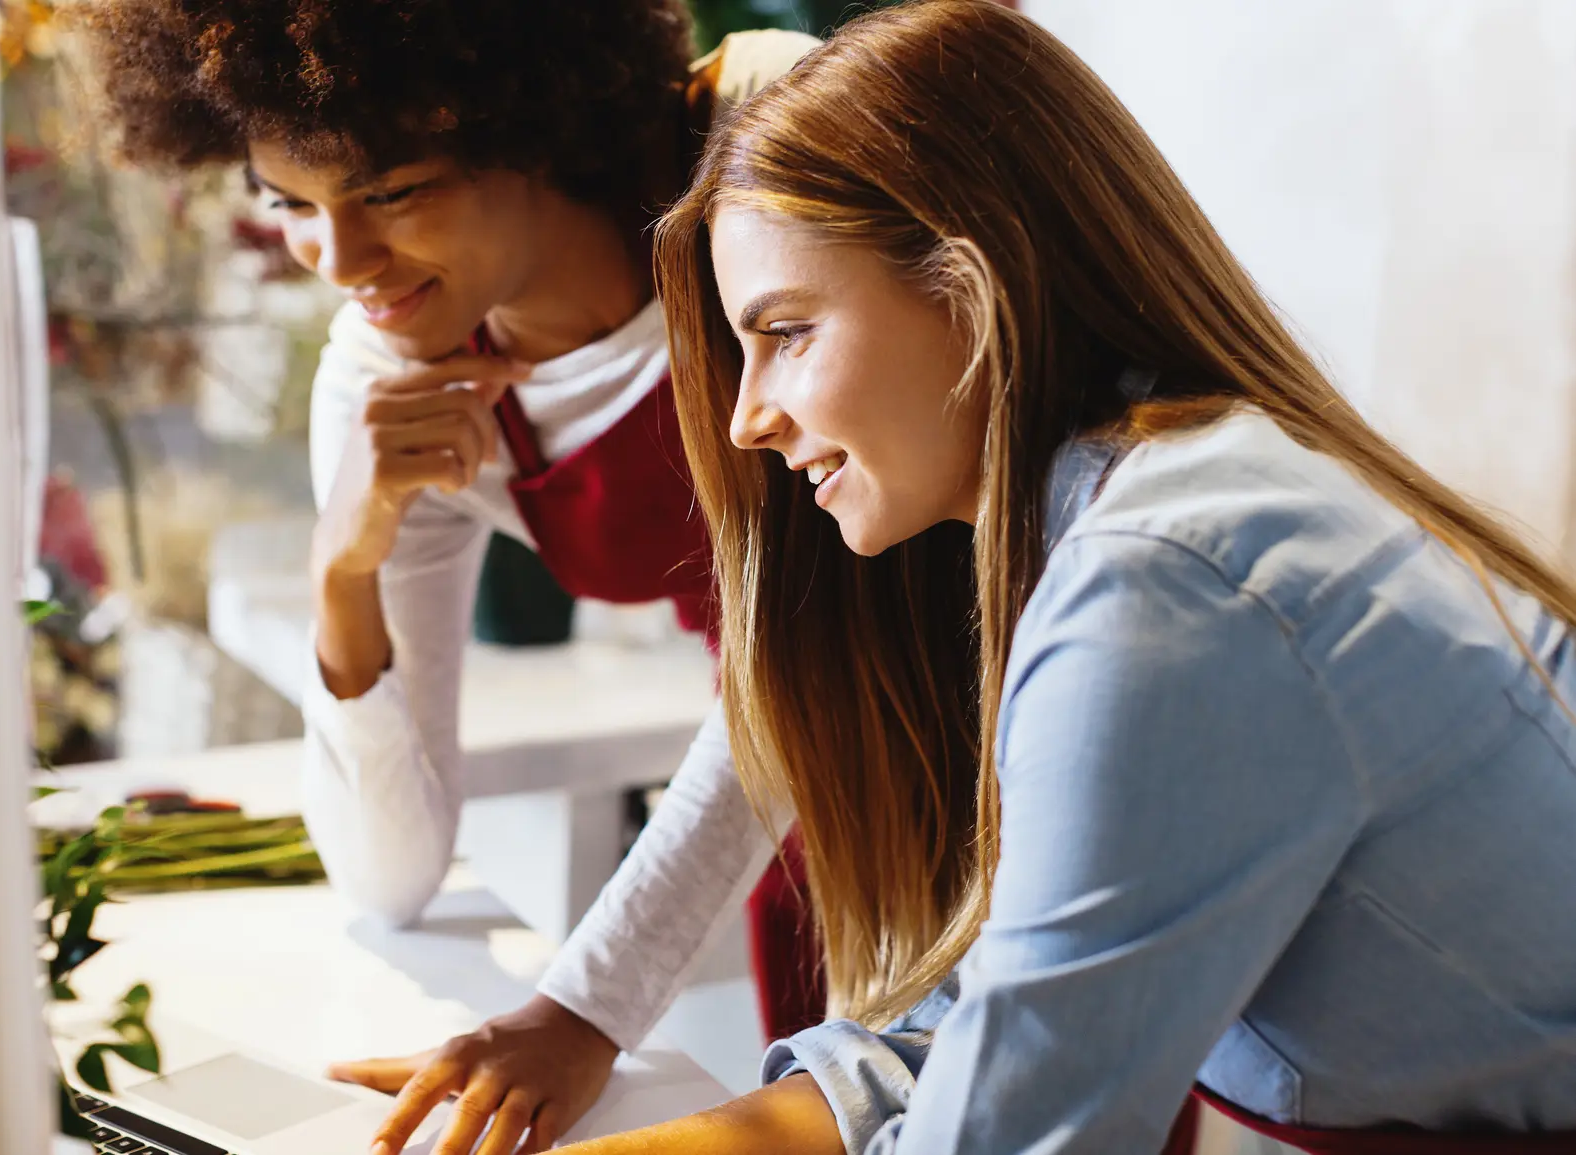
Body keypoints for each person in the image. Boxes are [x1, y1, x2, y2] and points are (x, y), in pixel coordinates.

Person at [537, 1, 1576, 1152]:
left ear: (967, 287)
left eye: (783, 333)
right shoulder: (1140, 507)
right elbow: (988, 1013)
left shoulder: (1167, 588)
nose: (745, 420)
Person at [71, 4, 819, 1154]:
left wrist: (582, 1010)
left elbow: (811, 642)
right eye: (288, 203)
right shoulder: (391, 374)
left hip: (1005, 743)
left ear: (534, 122)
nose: (340, 260)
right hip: (813, 810)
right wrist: (343, 568)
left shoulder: (758, 155)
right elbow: (390, 874)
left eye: (391, 190)